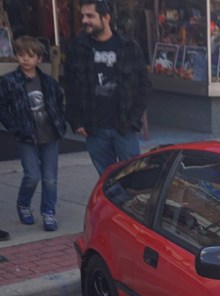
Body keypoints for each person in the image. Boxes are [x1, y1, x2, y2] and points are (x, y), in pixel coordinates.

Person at [64, 0, 151, 175]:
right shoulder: (78, 48)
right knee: (106, 180)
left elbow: (145, 86)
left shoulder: (129, 47)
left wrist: (133, 118)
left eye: (90, 16)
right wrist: (76, 121)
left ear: (106, 18)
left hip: (124, 127)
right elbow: (70, 87)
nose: (84, 20)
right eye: (83, 16)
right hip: (94, 128)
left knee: (133, 178)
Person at [0, 36, 67, 232]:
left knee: (50, 178)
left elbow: (58, 102)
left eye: (30, 56)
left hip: (49, 134)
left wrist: (60, 123)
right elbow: (3, 107)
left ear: (39, 58)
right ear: (16, 57)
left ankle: (48, 211)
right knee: (32, 175)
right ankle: (23, 203)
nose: (25, 59)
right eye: (21, 55)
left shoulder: (47, 82)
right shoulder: (9, 81)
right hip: (27, 135)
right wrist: (14, 127)